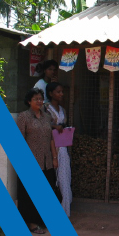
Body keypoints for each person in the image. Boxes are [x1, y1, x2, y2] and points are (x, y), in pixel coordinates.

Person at [17, 88, 58, 234]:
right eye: (36, 99)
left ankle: (43, 220)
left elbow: (51, 138)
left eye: (41, 99)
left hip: (46, 161)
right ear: (29, 101)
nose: (39, 101)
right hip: (30, 162)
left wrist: (54, 157)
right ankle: (31, 223)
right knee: (29, 194)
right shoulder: (24, 117)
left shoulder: (47, 117)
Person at [46, 82, 72, 218]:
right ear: (51, 94)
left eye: (62, 91)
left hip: (63, 147)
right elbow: (44, 126)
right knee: (53, 178)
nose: (61, 94)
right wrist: (55, 127)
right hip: (51, 149)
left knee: (64, 177)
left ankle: (65, 209)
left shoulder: (62, 109)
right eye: (58, 92)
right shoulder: (46, 109)